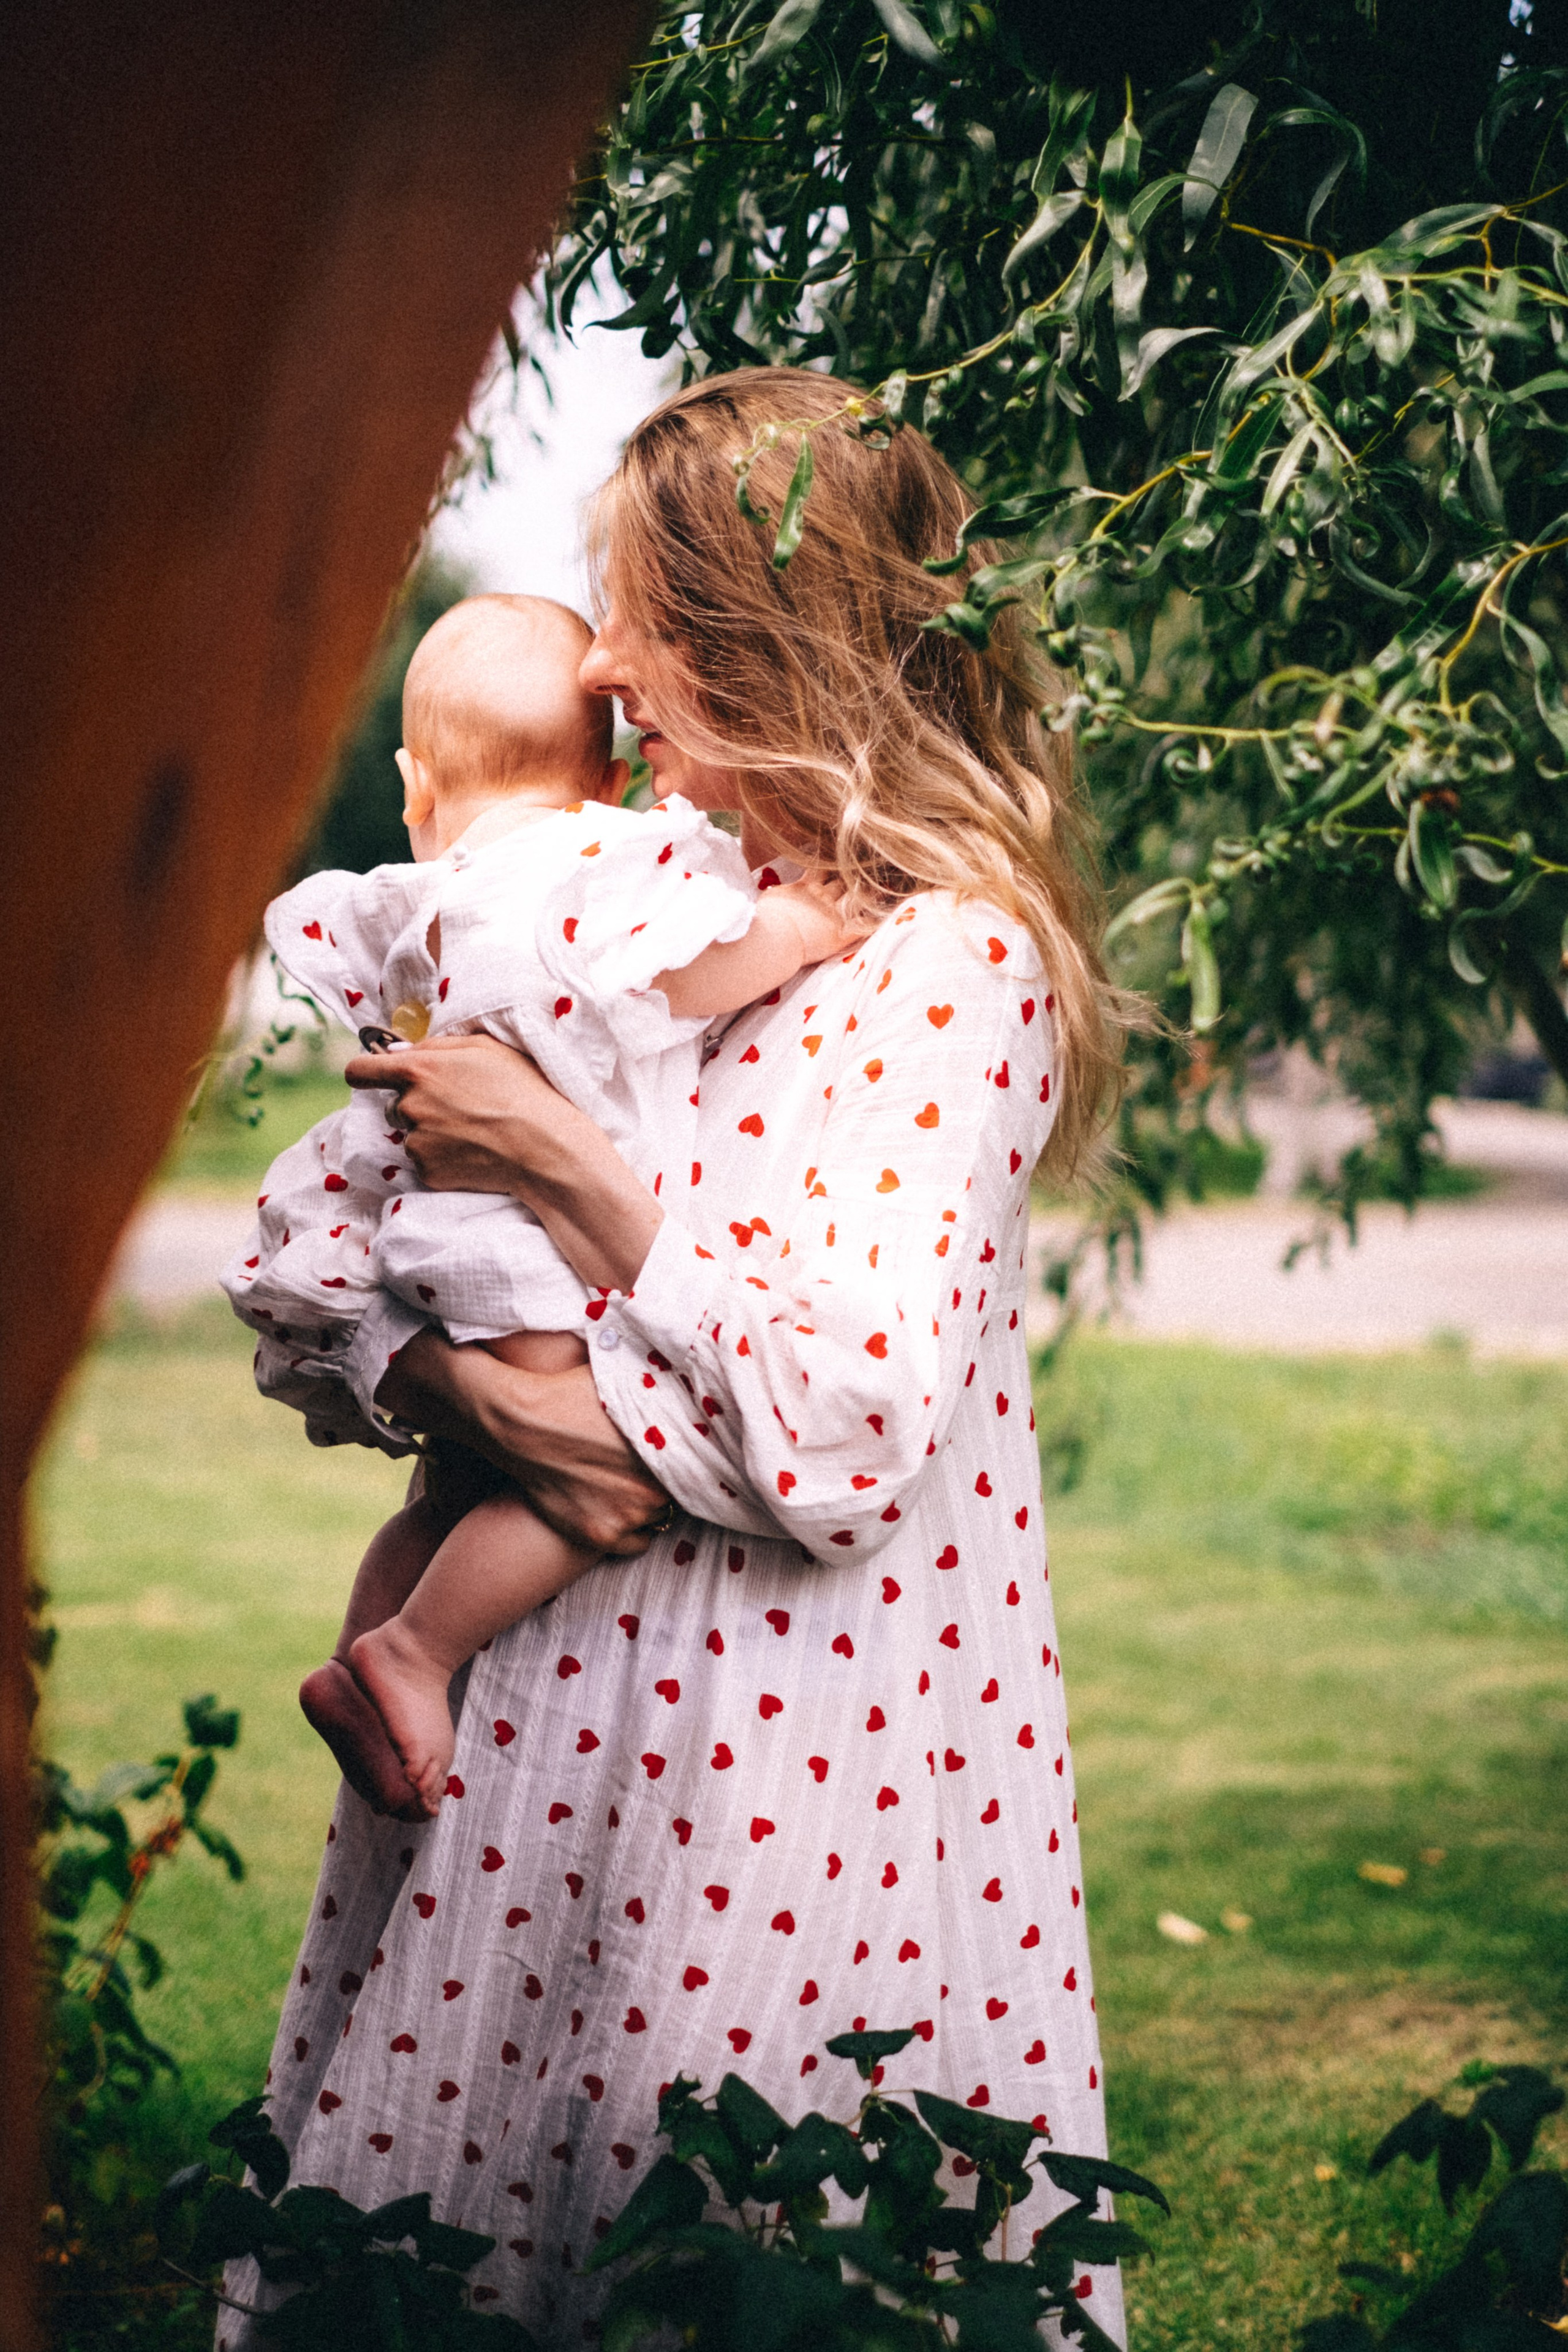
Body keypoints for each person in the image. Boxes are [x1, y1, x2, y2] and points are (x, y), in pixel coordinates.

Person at [221, 367, 1129, 2350]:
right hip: (523, 1803)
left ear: (758, 635)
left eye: (641, 607)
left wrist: (570, 1181)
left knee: (732, 2269)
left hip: (782, 1814)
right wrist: (466, 1390)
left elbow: (833, 1426)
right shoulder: (654, 907)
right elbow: (351, 1274)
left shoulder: (952, 966)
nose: (605, 660)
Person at [223, 592, 865, 1820]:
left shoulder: (419, 905)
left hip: (433, 1236)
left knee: (456, 1486)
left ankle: (368, 1660)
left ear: (416, 782)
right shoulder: (588, 879)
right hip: (526, 1250)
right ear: (612, 776)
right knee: (579, 1477)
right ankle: (412, 1659)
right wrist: (795, 922)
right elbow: (683, 974)